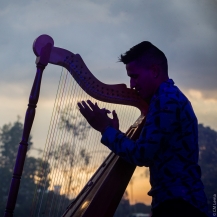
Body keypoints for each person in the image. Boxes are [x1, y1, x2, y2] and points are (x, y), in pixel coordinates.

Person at [77, 41, 209, 217]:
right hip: (177, 202)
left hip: (180, 205)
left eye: (135, 76)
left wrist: (105, 129)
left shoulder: (166, 101)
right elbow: (152, 148)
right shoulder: (165, 97)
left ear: (154, 71)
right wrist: (115, 132)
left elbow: (142, 154)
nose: (131, 84)